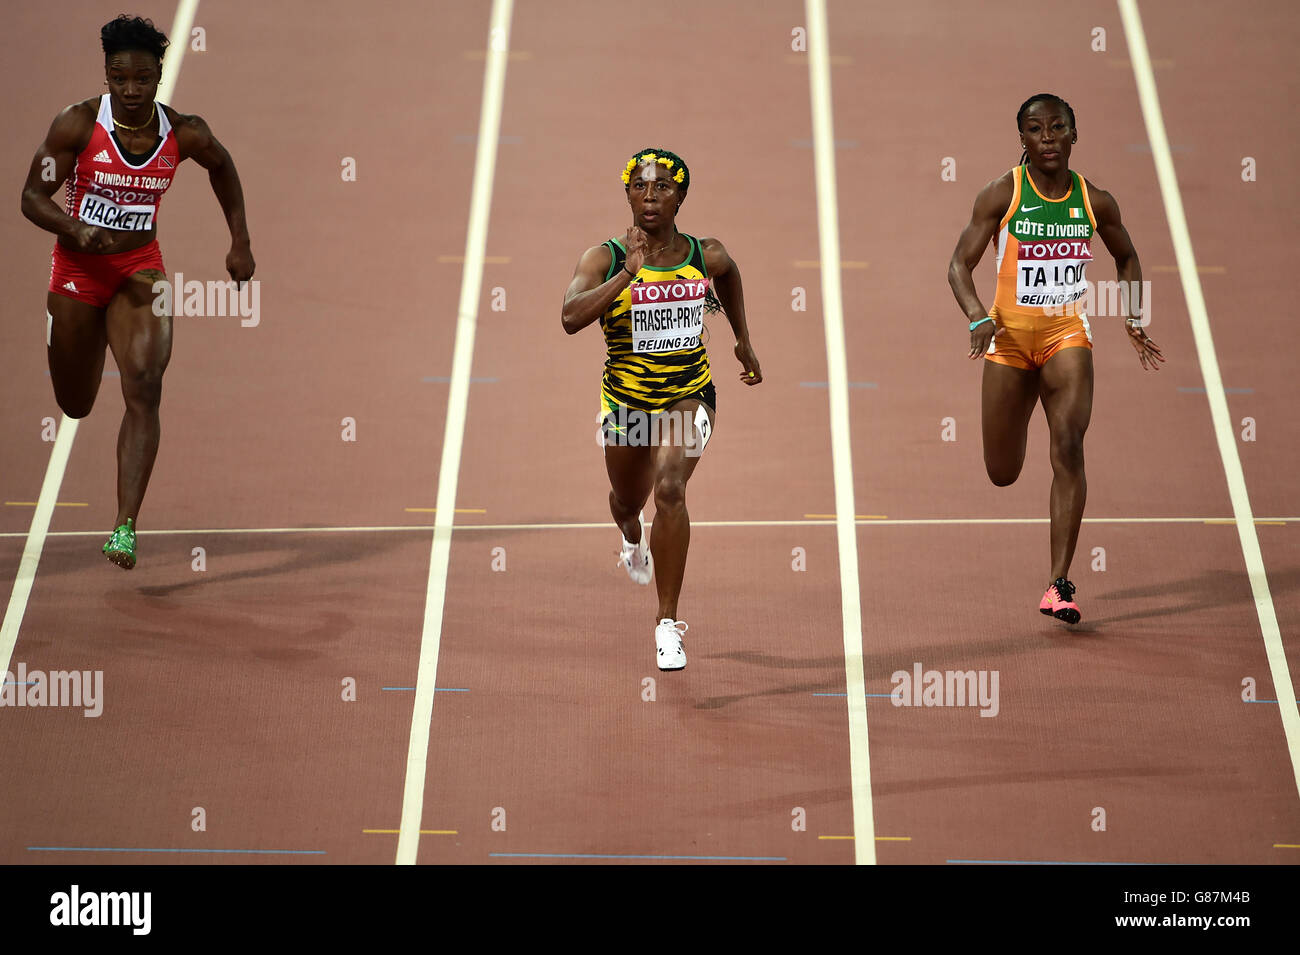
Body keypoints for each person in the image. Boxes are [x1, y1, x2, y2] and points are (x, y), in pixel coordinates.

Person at [20, 14, 254, 569]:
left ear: (158, 76)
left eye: (142, 79)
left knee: (146, 383)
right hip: (77, 272)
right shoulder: (77, 125)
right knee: (74, 405)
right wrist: (76, 229)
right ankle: (90, 333)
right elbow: (32, 196)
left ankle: (125, 525)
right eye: (119, 78)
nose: (130, 90)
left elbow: (223, 167)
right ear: (106, 75)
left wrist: (239, 242)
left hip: (140, 269)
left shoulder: (184, 132)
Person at [947, 93, 1163, 624]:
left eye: (1057, 127)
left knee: (1068, 445)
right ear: (1022, 138)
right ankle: (1016, 428)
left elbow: (1128, 255)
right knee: (1002, 471)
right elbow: (958, 264)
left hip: (1067, 334)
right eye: (1036, 129)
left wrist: (1133, 314)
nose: (1047, 137)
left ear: (1073, 135)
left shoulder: (1095, 201)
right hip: (1008, 341)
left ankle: (1059, 583)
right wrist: (978, 316)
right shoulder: (1003, 193)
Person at [562, 148, 762, 669]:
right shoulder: (603, 258)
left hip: (688, 393)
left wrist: (742, 340)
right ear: (627, 193)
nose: (650, 198)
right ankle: (631, 537)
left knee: (670, 489)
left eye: (663, 188)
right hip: (627, 404)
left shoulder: (704, 253)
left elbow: (731, 275)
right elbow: (569, 317)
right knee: (629, 502)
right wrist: (628, 275)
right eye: (640, 188)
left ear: (681, 196)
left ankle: (667, 624)